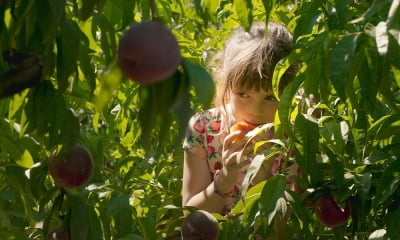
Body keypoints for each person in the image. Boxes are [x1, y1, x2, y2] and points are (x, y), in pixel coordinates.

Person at [182, 21, 297, 216]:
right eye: (243, 95)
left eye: (270, 97)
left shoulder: (292, 138)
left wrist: (264, 181)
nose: (255, 111)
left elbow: (283, 229)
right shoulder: (204, 129)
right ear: (226, 84)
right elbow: (191, 216)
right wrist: (224, 179)